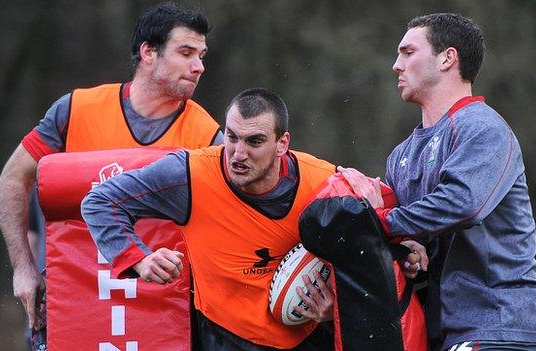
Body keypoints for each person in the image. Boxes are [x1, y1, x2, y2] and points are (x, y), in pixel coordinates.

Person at [81, 88, 426, 350]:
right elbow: (99, 202)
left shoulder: (323, 182)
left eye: (255, 141)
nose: (238, 153)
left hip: (305, 337)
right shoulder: (188, 175)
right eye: (231, 137)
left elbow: (382, 211)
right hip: (225, 335)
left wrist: (408, 243)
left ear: (282, 143)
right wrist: (140, 258)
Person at [0, 2, 222, 347]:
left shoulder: (206, 135)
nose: (199, 66)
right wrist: (23, 267)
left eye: (201, 55)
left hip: (164, 313)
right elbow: (11, 182)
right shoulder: (77, 110)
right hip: (77, 303)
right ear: (148, 52)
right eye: (186, 52)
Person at [339, 13, 536, 351]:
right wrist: (404, 249)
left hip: (500, 329)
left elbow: (463, 204)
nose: (396, 65)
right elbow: (411, 240)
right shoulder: (401, 155)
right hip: (443, 333)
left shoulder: (483, 128)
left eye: (408, 52)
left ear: (447, 58)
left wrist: (380, 221)